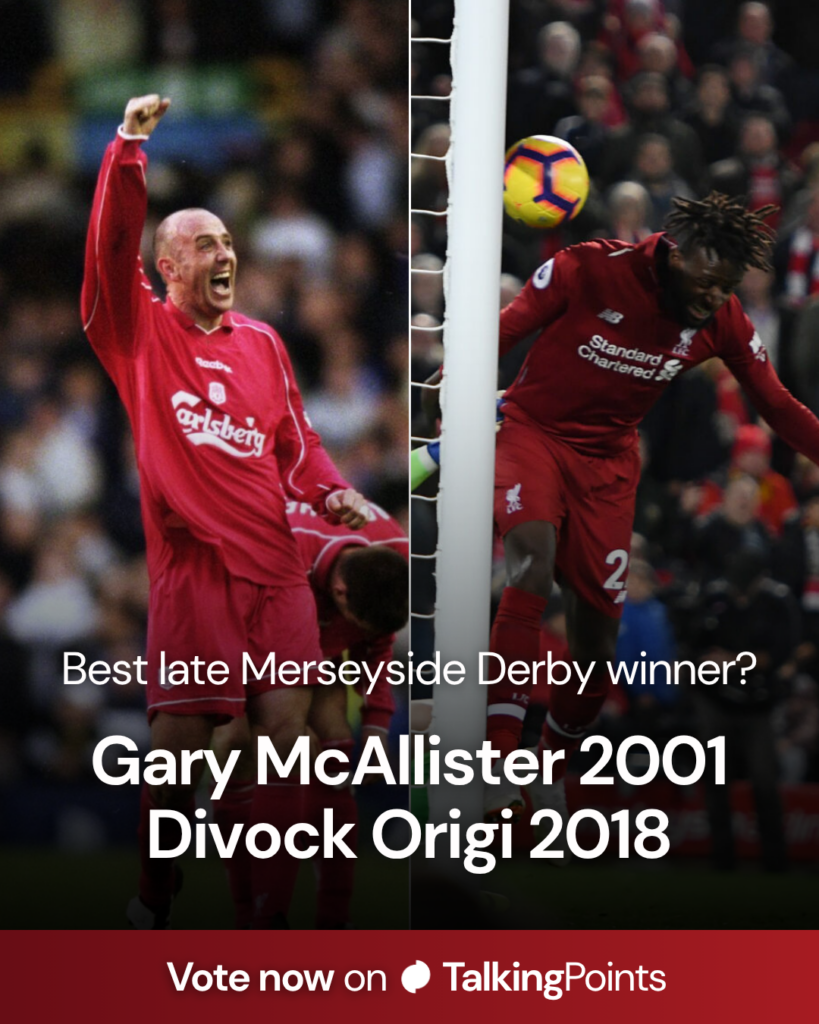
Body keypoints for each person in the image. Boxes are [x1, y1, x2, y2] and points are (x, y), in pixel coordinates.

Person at [81, 95, 369, 928]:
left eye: (228, 242)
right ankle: (155, 895)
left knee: (283, 735)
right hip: (196, 569)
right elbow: (107, 251)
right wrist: (128, 151)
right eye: (205, 243)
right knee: (178, 753)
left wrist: (330, 489)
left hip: (275, 572)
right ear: (168, 267)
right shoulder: (138, 334)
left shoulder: (264, 343)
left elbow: (296, 443)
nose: (224, 253)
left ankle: (262, 920)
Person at [485, 191, 819, 819]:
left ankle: (549, 765)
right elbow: (504, 328)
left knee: (597, 646)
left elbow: (776, 404)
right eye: (708, 281)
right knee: (531, 560)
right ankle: (500, 755)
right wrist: (454, 387)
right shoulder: (591, 267)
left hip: (610, 466)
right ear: (676, 253)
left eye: (727, 288)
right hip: (534, 433)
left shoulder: (723, 320)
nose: (714, 297)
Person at [211, 498, 408, 928]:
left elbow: (378, 642)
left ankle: (330, 918)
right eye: (356, 621)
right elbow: (222, 612)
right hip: (243, 625)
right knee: (243, 748)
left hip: (314, 635)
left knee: (334, 748)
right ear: (339, 593)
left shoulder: (394, 553)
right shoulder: (281, 547)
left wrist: (377, 728)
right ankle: (256, 913)